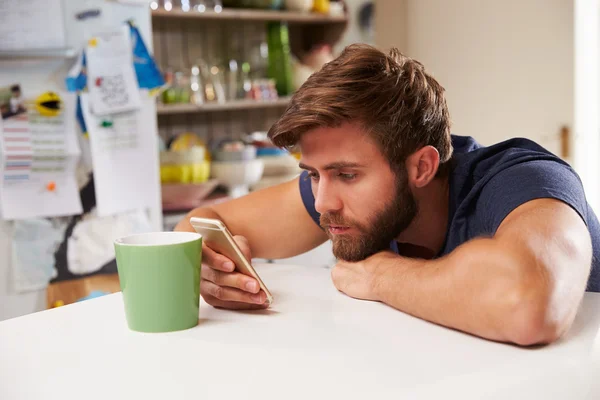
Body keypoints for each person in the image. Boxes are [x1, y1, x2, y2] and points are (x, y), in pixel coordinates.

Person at [176, 44, 600, 346]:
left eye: (346, 174)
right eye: (313, 175)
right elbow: (200, 223)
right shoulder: (344, 197)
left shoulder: (524, 180)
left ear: (421, 167)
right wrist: (210, 268)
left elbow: (528, 306)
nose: (322, 202)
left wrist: (378, 275)